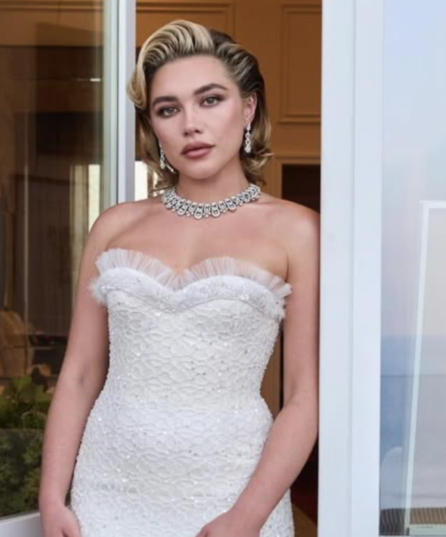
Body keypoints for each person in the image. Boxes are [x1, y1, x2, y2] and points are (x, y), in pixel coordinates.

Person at [38, 19, 319, 537]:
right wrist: (53, 498)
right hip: (106, 490)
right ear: (154, 126)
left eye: (210, 100)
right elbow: (78, 375)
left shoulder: (297, 230)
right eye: (169, 109)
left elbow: (304, 395)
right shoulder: (114, 226)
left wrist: (247, 517)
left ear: (248, 108)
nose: (191, 124)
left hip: (233, 493)